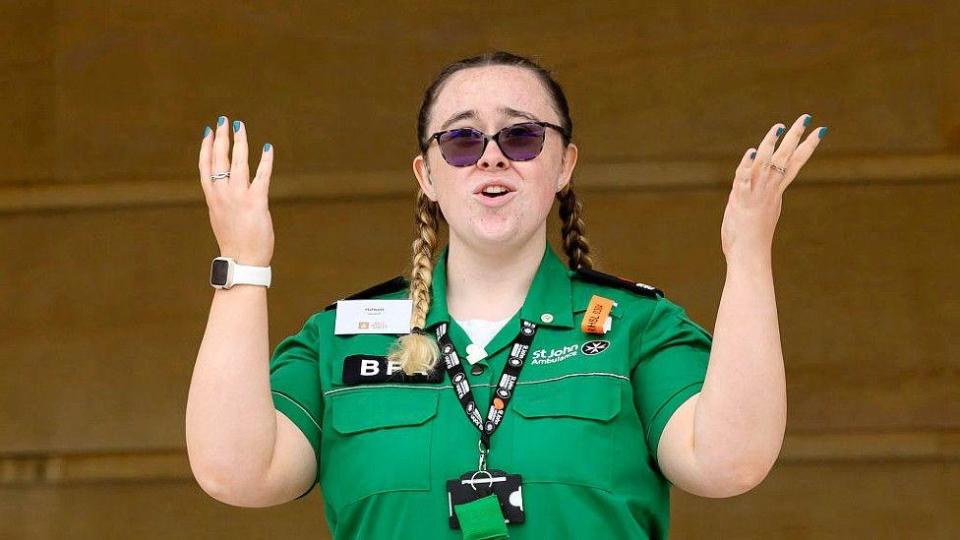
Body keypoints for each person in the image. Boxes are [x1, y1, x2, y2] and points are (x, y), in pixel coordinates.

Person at [187, 51, 826, 539]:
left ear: (564, 164)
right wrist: (243, 265)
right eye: (462, 140)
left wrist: (747, 254)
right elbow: (236, 472)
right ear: (427, 175)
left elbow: (730, 463)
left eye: (521, 136)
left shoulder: (638, 326)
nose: (492, 156)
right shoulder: (340, 338)